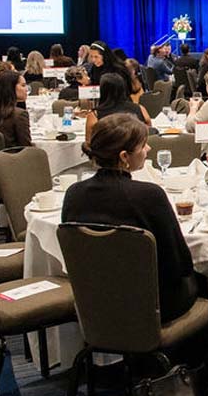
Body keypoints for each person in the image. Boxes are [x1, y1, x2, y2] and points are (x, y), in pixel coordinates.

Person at [63, 114, 197, 323]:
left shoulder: (73, 194)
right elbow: (179, 264)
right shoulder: (149, 196)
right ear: (124, 156)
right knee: (206, 279)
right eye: (143, 145)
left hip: (94, 302)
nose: (148, 149)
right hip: (154, 306)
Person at [86, 73, 151, 144]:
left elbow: (89, 143)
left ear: (102, 90)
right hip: (135, 152)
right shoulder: (140, 109)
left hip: (107, 153)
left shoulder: (94, 115)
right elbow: (149, 134)